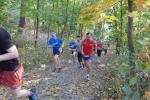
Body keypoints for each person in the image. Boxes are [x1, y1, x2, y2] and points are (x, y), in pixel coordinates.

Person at [0, 27, 36, 100]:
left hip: (10, 69)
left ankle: (31, 93)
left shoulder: (1, 34)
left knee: (16, 94)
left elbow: (14, 53)